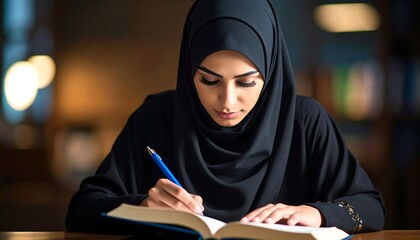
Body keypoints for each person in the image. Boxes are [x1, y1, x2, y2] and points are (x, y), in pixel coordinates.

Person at [65, 0, 385, 235]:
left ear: (270, 73)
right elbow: (81, 209)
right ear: (189, 72)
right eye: (209, 80)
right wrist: (142, 206)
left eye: (246, 82)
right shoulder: (156, 117)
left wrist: (317, 214)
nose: (227, 101)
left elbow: (371, 207)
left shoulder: (305, 122)